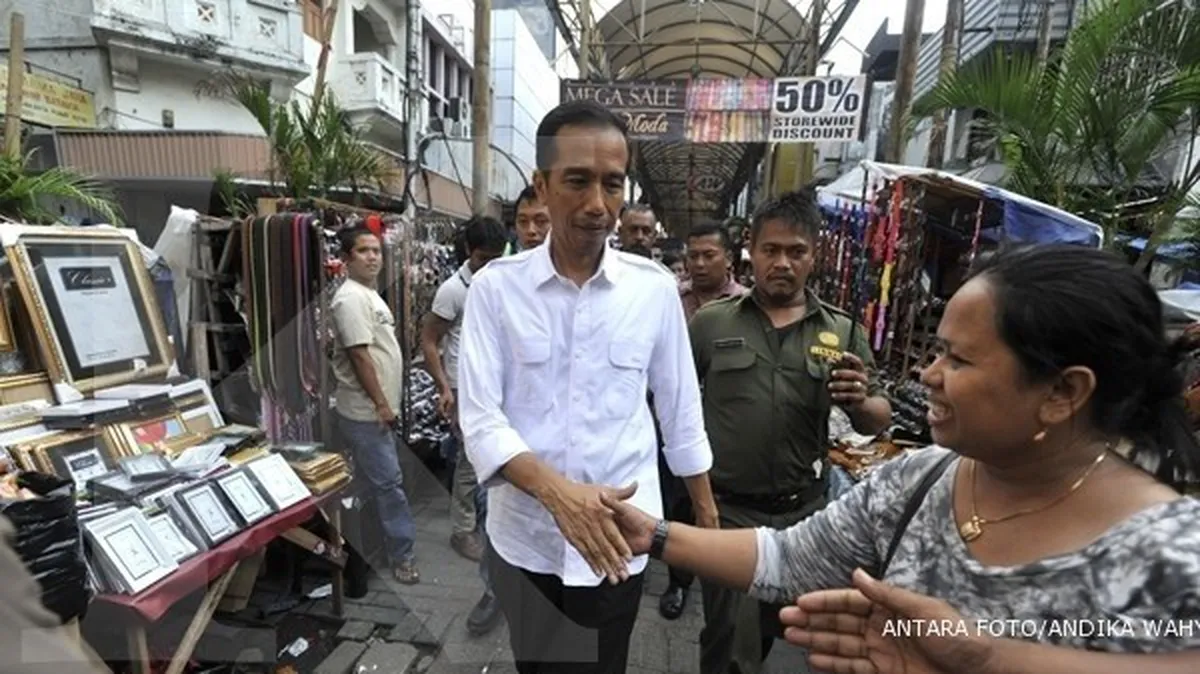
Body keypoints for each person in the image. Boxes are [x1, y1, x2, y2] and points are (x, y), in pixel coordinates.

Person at [602, 244, 1200, 672]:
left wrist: (987, 658)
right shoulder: (921, 480)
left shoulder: (1171, 555)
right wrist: (652, 535)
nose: (928, 374)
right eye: (937, 352)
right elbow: (788, 556)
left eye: (959, 361)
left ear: (1063, 393)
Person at [457, 99, 719, 674]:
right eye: (577, 181)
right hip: (525, 540)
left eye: (612, 184)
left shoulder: (651, 291)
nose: (598, 205)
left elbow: (680, 409)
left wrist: (706, 515)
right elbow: (481, 419)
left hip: (620, 539)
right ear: (542, 185)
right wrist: (559, 496)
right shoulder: (495, 291)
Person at [684, 190, 891, 674]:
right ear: (750, 251)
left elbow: (877, 420)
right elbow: (675, 405)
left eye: (796, 251)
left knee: (795, 634)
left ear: (813, 256)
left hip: (806, 516)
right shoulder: (710, 325)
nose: (782, 262)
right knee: (729, 642)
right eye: (770, 250)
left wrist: (860, 400)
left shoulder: (841, 332)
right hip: (730, 513)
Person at [331, 227, 419, 585]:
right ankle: (403, 555)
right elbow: (359, 355)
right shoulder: (350, 298)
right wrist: (382, 404)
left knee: (369, 485)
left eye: (377, 251)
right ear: (347, 259)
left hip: (375, 410)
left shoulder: (367, 295)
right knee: (389, 484)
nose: (373, 257)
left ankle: (362, 549)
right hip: (366, 412)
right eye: (363, 251)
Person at [421, 215, 508, 563]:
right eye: (484, 258)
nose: (491, 265)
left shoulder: (502, 283)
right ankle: (462, 530)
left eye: (496, 257)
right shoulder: (454, 290)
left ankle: (487, 522)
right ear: (470, 251)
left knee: (494, 458)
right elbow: (429, 341)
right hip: (463, 389)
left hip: (495, 386)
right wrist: (444, 388)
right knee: (470, 465)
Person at [679, 221, 746, 321]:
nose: (699, 263)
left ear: (729, 258)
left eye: (709, 256)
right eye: (693, 256)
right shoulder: (675, 297)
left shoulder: (745, 302)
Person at [512, 185, 552, 253]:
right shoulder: (505, 262)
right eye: (523, 221)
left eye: (541, 221)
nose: (531, 230)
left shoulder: (573, 262)